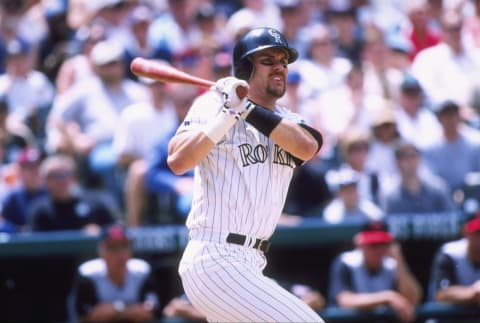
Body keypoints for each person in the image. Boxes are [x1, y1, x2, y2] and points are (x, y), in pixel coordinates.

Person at [166, 27, 324, 322]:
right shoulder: (213, 105)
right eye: (268, 60)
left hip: (251, 261)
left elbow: (306, 147)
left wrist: (246, 107)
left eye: (283, 61)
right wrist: (227, 114)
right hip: (215, 256)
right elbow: (178, 161)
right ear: (245, 68)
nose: (279, 67)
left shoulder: (289, 120)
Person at [328, 219, 422, 323]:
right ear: (359, 244)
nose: (378, 250)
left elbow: (413, 298)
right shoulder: (347, 262)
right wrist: (388, 297)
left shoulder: (391, 265)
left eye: (383, 244)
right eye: (373, 245)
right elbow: (345, 301)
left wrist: (399, 260)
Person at [72, 223, 161, 323]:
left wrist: (115, 310)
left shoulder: (142, 271)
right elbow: (87, 316)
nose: (120, 254)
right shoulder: (88, 274)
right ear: (101, 251)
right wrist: (130, 310)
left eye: (124, 246)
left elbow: (150, 312)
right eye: (113, 248)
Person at [29, 154, 118, 233]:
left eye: (65, 174)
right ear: (45, 180)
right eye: (55, 175)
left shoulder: (94, 204)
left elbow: (114, 231)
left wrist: (100, 233)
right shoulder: (39, 211)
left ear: (74, 178)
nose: (61, 180)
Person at [428, 210, 480, 306]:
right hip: (448, 318)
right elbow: (442, 294)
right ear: (465, 232)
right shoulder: (450, 253)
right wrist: (473, 292)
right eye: (477, 232)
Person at [0, 148, 48, 232]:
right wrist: (18, 230)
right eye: (30, 167)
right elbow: (3, 224)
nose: (35, 171)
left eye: (37, 166)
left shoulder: (51, 193)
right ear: (20, 170)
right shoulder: (12, 197)